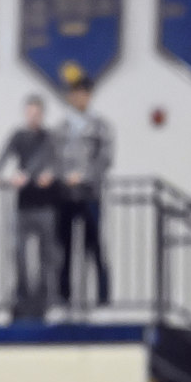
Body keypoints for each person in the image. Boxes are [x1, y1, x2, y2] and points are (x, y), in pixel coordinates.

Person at [0, 93, 59, 319]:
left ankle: (47, 303)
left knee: (46, 257)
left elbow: (56, 163)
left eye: (36, 113)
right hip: (23, 206)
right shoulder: (18, 136)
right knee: (19, 255)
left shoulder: (50, 138)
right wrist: (0, 176)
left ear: (42, 114)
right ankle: (22, 301)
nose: (33, 117)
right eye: (29, 112)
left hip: (45, 206)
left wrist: (50, 174)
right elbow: (2, 158)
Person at [53, 74, 112, 308]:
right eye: (76, 93)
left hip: (90, 194)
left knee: (95, 246)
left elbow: (105, 158)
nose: (80, 98)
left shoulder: (100, 126)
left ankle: (102, 297)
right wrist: (64, 177)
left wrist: (85, 176)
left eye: (84, 94)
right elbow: (55, 156)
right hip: (66, 196)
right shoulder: (61, 127)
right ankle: (64, 297)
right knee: (65, 248)